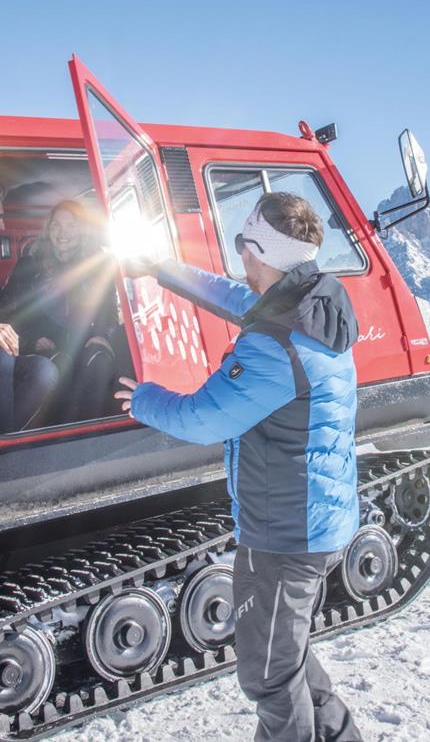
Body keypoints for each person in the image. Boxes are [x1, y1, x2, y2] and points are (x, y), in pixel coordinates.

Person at [115, 192, 364, 742]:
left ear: (265, 253)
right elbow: (240, 299)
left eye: (245, 249)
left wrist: (144, 399)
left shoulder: (275, 348)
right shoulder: (313, 302)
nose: (240, 261)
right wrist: (163, 270)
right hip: (312, 516)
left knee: (270, 675)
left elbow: (205, 418)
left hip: (285, 534)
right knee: (287, 657)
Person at [0, 199, 118, 423]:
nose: (63, 232)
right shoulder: (29, 265)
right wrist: (30, 340)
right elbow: (8, 311)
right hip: (40, 343)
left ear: (82, 229)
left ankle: (88, 436)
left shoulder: (99, 264)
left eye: (71, 225)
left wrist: (102, 335)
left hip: (81, 340)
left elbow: (109, 308)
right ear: (48, 230)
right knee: (55, 365)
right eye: (56, 225)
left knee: (99, 361)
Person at [0, 186, 59, 432]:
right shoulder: (28, 267)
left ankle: (11, 442)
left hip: (42, 341)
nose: (3, 227)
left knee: (43, 371)